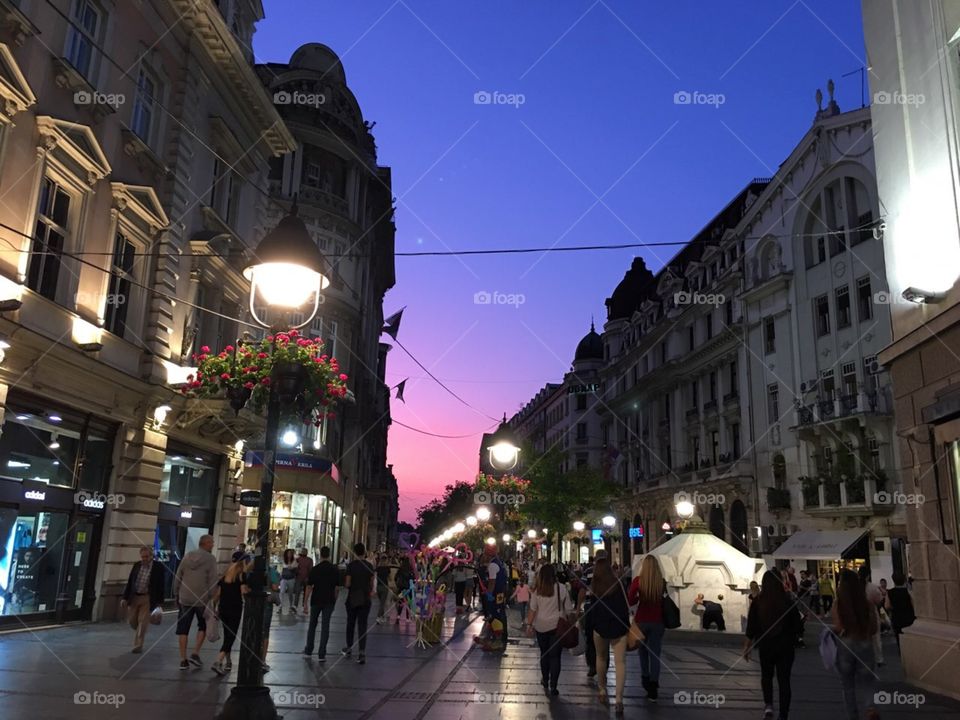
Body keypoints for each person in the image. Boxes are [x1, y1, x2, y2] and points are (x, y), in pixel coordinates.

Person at [744, 570, 803, 720]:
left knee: (766, 676)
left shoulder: (758, 602)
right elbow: (798, 626)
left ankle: (768, 706)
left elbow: (751, 626)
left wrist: (747, 646)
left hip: (766, 645)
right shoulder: (787, 601)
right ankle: (783, 714)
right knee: (784, 681)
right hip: (785, 646)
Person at [834, 568, 880, 720]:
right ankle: (870, 708)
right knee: (868, 682)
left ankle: (853, 716)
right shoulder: (867, 603)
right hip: (864, 642)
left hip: (846, 644)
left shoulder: (838, 604)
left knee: (847, 686)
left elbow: (838, 627)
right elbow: (874, 628)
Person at [590, 557, 630, 715]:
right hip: (618, 626)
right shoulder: (618, 583)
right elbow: (625, 604)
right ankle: (619, 699)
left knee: (601, 658)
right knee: (620, 662)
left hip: (600, 626)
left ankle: (602, 690)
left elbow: (592, 607)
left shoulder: (595, 585)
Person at [174, 534, 218, 671]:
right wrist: (212, 597)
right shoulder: (210, 559)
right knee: (203, 626)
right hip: (202, 599)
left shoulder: (187, 556)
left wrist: (176, 592)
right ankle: (195, 653)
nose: (213, 545)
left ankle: (183, 659)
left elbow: (178, 575)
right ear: (206, 543)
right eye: (211, 542)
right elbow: (213, 580)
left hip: (185, 597)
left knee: (183, 628)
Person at [627, 555, 666, 701]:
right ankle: (654, 686)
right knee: (655, 654)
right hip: (657, 621)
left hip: (641, 621)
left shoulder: (638, 581)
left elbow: (630, 600)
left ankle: (645, 678)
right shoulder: (661, 582)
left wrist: (639, 597)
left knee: (642, 651)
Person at [527, 564, 568, 696]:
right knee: (555, 656)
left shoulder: (537, 590)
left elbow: (533, 609)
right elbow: (568, 608)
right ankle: (554, 686)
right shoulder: (561, 588)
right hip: (557, 626)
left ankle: (545, 680)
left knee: (544, 654)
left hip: (541, 626)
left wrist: (529, 625)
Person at [120, 545, 165, 653]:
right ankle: (140, 630)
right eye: (142, 557)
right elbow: (130, 582)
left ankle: (138, 644)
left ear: (151, 556)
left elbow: (161, 585)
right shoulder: (137, 565)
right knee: (132, 621)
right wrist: (124, 598)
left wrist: (159, 602)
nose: (144, 559)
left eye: (146, 557)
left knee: (142, 621)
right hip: (134, 596)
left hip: (147, 597)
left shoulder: (158, 567)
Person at [211, 551, 249, 676]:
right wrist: (249, 591)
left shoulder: (225, 575)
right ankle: (218, 661)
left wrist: (215, 608)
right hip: (235, 608)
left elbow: (217, 594)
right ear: (242, 562)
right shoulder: (241, 576)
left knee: (228, 635)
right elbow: (243, 592)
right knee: (231, 636)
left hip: (223, 608)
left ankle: (228, 661)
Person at [303, 546, 339, 661]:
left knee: (312, 625)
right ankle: (322, 653)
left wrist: (305, 603)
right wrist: (334, 601)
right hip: (329, 600)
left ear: (321, 555)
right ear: (329, 555)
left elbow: (309, 586)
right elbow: (337, 588)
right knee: (325, 626)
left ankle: (308, 650)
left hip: (316, 600)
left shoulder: (315, 569)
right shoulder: (334, 569)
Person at [342, 542, 375, 664]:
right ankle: (361, 652)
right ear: (364, 552)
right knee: (362, 625)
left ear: (354, 552)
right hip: (365, 598)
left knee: (350, 623)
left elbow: (347, 584)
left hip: (352, 598)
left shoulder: (351, 566)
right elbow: (371, 583)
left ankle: (349, 647)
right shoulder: (369, 566)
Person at [479, 543, 508, 653]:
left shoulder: (492, 566)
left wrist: (489, 594)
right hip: (500, 594)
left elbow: (492, 582)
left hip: (494, 595)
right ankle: (488, 637)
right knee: (496, 616)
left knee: (494, 617)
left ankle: (497, 641)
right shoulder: (498, 563)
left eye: (484, 553)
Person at [859, 566, 884, 667]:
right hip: (871, 615)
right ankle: (879, 659)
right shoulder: (872, 587)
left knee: (862, 637)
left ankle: (863, 657)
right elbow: (879, 601)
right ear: (868, 575)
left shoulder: (854, 587)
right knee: (876, 638)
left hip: (859, 615)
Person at [884, 572, 915, 651]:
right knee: (910, 637)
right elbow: (913, 604)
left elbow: (887, 606)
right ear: (904, 580)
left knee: (899, 638)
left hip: (897, 617)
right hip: (908, 616)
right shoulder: (907, 591)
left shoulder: (889, 592)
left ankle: (902, 653)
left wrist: (894, 607)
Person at [261, 560, 281, 672]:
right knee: (265, 632)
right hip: (267, 603)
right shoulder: (271, 570)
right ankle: (262, 660)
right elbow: (275, 587)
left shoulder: (251, 568)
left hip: (254, 604)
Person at [279, 548, 298, 614]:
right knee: (282, 592)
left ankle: (291, 606)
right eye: (288, 553)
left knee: (290, 593)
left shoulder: (294, 561)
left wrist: (292, 568)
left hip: (291, 579)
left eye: (290, 553)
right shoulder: (283, 560)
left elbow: (295, 569)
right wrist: (280, 576)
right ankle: (280, 606)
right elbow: (280, 569)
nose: (289, 554)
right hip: (284, 578)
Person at [375, 554, 392, 624]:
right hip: (385, 587)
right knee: (382, 603)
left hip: (378, 587)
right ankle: (378, 617)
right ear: (386, 560)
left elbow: (375, 576)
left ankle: (382, 617)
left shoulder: (378, 568)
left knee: (381, 603)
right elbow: (390, 578)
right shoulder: (387, 568)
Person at [395, 558, 413, 623]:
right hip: (408, 588)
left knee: (401, 602)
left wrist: (397, 584)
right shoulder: (411, 570)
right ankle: (407, 618)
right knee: (408, 603)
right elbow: (413, 578)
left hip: (401, 588)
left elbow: (395, 577)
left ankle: (398, 616)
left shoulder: (400, 569)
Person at [296, 548, 313, 612]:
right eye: (303, 551)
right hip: (299, 577)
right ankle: (295, 605)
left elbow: (310, 569)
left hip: (306, 578)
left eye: (305, 551)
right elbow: (296, 568)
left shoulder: (309, 560)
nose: (304, 552)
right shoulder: (298, 559)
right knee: (297, 591)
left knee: (305, 593)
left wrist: (308, 577)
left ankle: (304, 604)